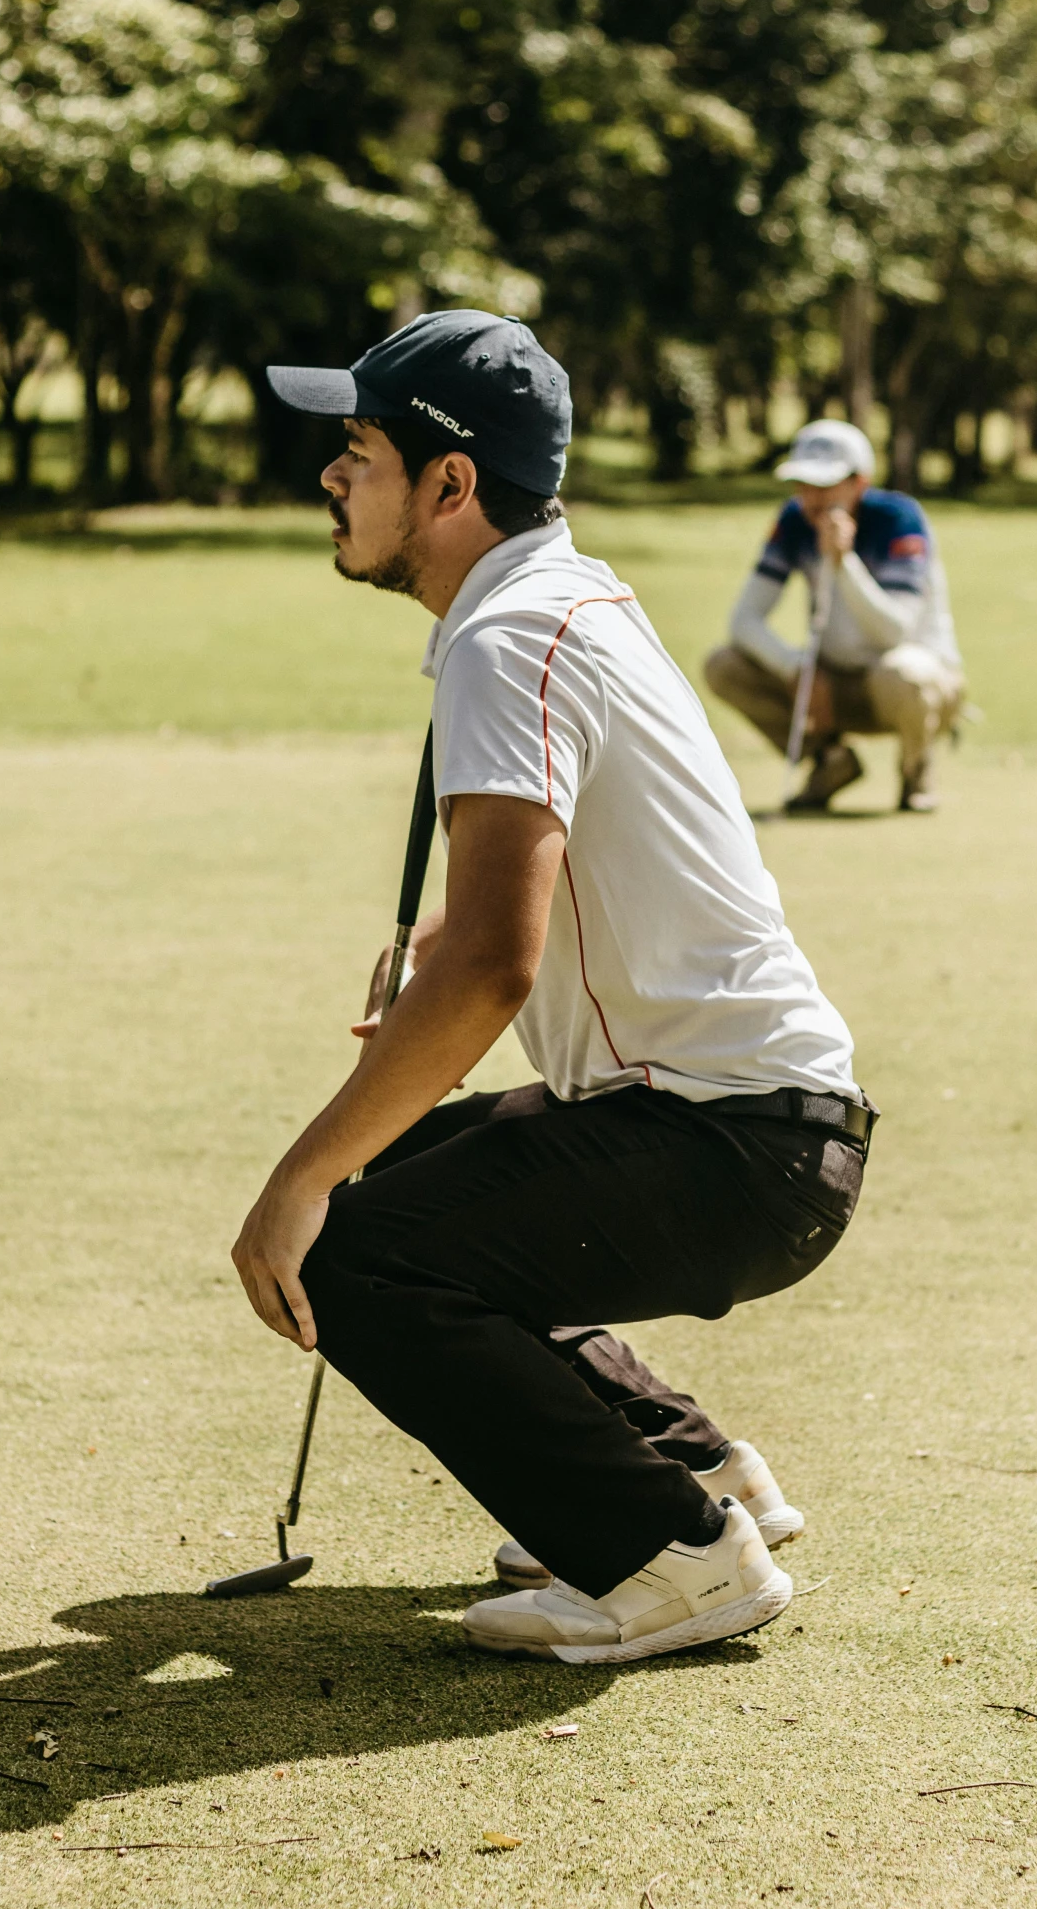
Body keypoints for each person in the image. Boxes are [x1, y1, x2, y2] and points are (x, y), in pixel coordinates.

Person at [229, 309, 876, 1666]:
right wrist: (437, 958)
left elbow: (490, 969)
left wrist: (292, 1182)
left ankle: (670, 1560)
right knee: (402, 1182)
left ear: (449, 484)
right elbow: (507, 919)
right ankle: (697, 1473)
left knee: (351, 1246)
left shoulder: (504, 634)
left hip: (732, 1145)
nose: (331, 478)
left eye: (357, 450)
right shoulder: (554, 597)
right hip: (763, 1128)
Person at [704, 419, 965, 814]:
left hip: (910, 689)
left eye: (825, 486)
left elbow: (895, 632)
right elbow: (744, 621)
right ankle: (829, 760)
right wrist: (795, 670)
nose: (811, 498)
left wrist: (845, 565)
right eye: (803, 485)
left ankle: (916, 769)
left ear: (859, 483)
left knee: (905, 674)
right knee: (723, 666)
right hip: (831, 683)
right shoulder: (795, 520)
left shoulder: (900, 519)